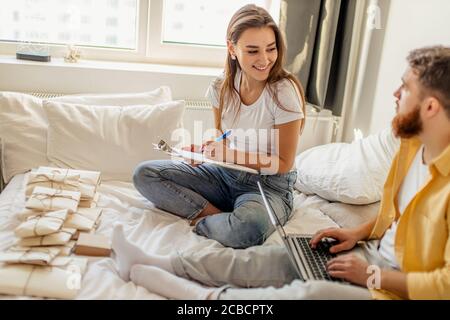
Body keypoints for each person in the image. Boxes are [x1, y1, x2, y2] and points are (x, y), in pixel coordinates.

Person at [112, 45, 450, 300]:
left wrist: (372, 276)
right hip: (370, 257)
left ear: (431, 107)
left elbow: (444, 287)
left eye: (404, 88)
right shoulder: (410, 148)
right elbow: (397, 220)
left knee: (310, 294)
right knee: (277, 258)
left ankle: (200, 298)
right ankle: (162, 263)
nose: (394, 94)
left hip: (391, 289)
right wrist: (358, 233)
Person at [132, 4, 305, 249]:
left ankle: (215, 220)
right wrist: (205, 152)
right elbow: (222, 138)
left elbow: (283, 163)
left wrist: (229, 154)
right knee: (145, 174)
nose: (265, 59)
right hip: (224, 174)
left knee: (248, 228)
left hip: (268, 186)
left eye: (271, 49)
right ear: (232, 49)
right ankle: (215, 216)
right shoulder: (220, 87)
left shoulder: (283, 91)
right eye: (253, 51)